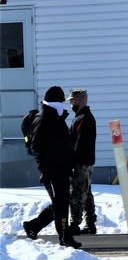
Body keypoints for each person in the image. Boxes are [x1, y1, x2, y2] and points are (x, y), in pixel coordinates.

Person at [21, 86, 81, 248]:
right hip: (52, 170)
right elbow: (37, 149)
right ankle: (64, 237)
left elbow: (63, 146)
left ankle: (34, 226)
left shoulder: (55, 117)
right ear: (54, 103)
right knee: (60, 203)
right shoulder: (45, 119)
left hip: (61, 169)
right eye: (60, 102)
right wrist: (44, 171)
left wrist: (71, 166)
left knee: (60, 202)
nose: (63, 106)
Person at [67, 88, 97, 235]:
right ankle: (90, 222)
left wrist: (73, 163)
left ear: (78, 100)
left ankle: (74, 224)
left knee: (77, 193)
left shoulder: (83, 119)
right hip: (85, 161)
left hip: (81, 162)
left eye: (71, 101)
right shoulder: (82, 117)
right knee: (86, 191)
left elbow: (80, 143)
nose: (70, 103)